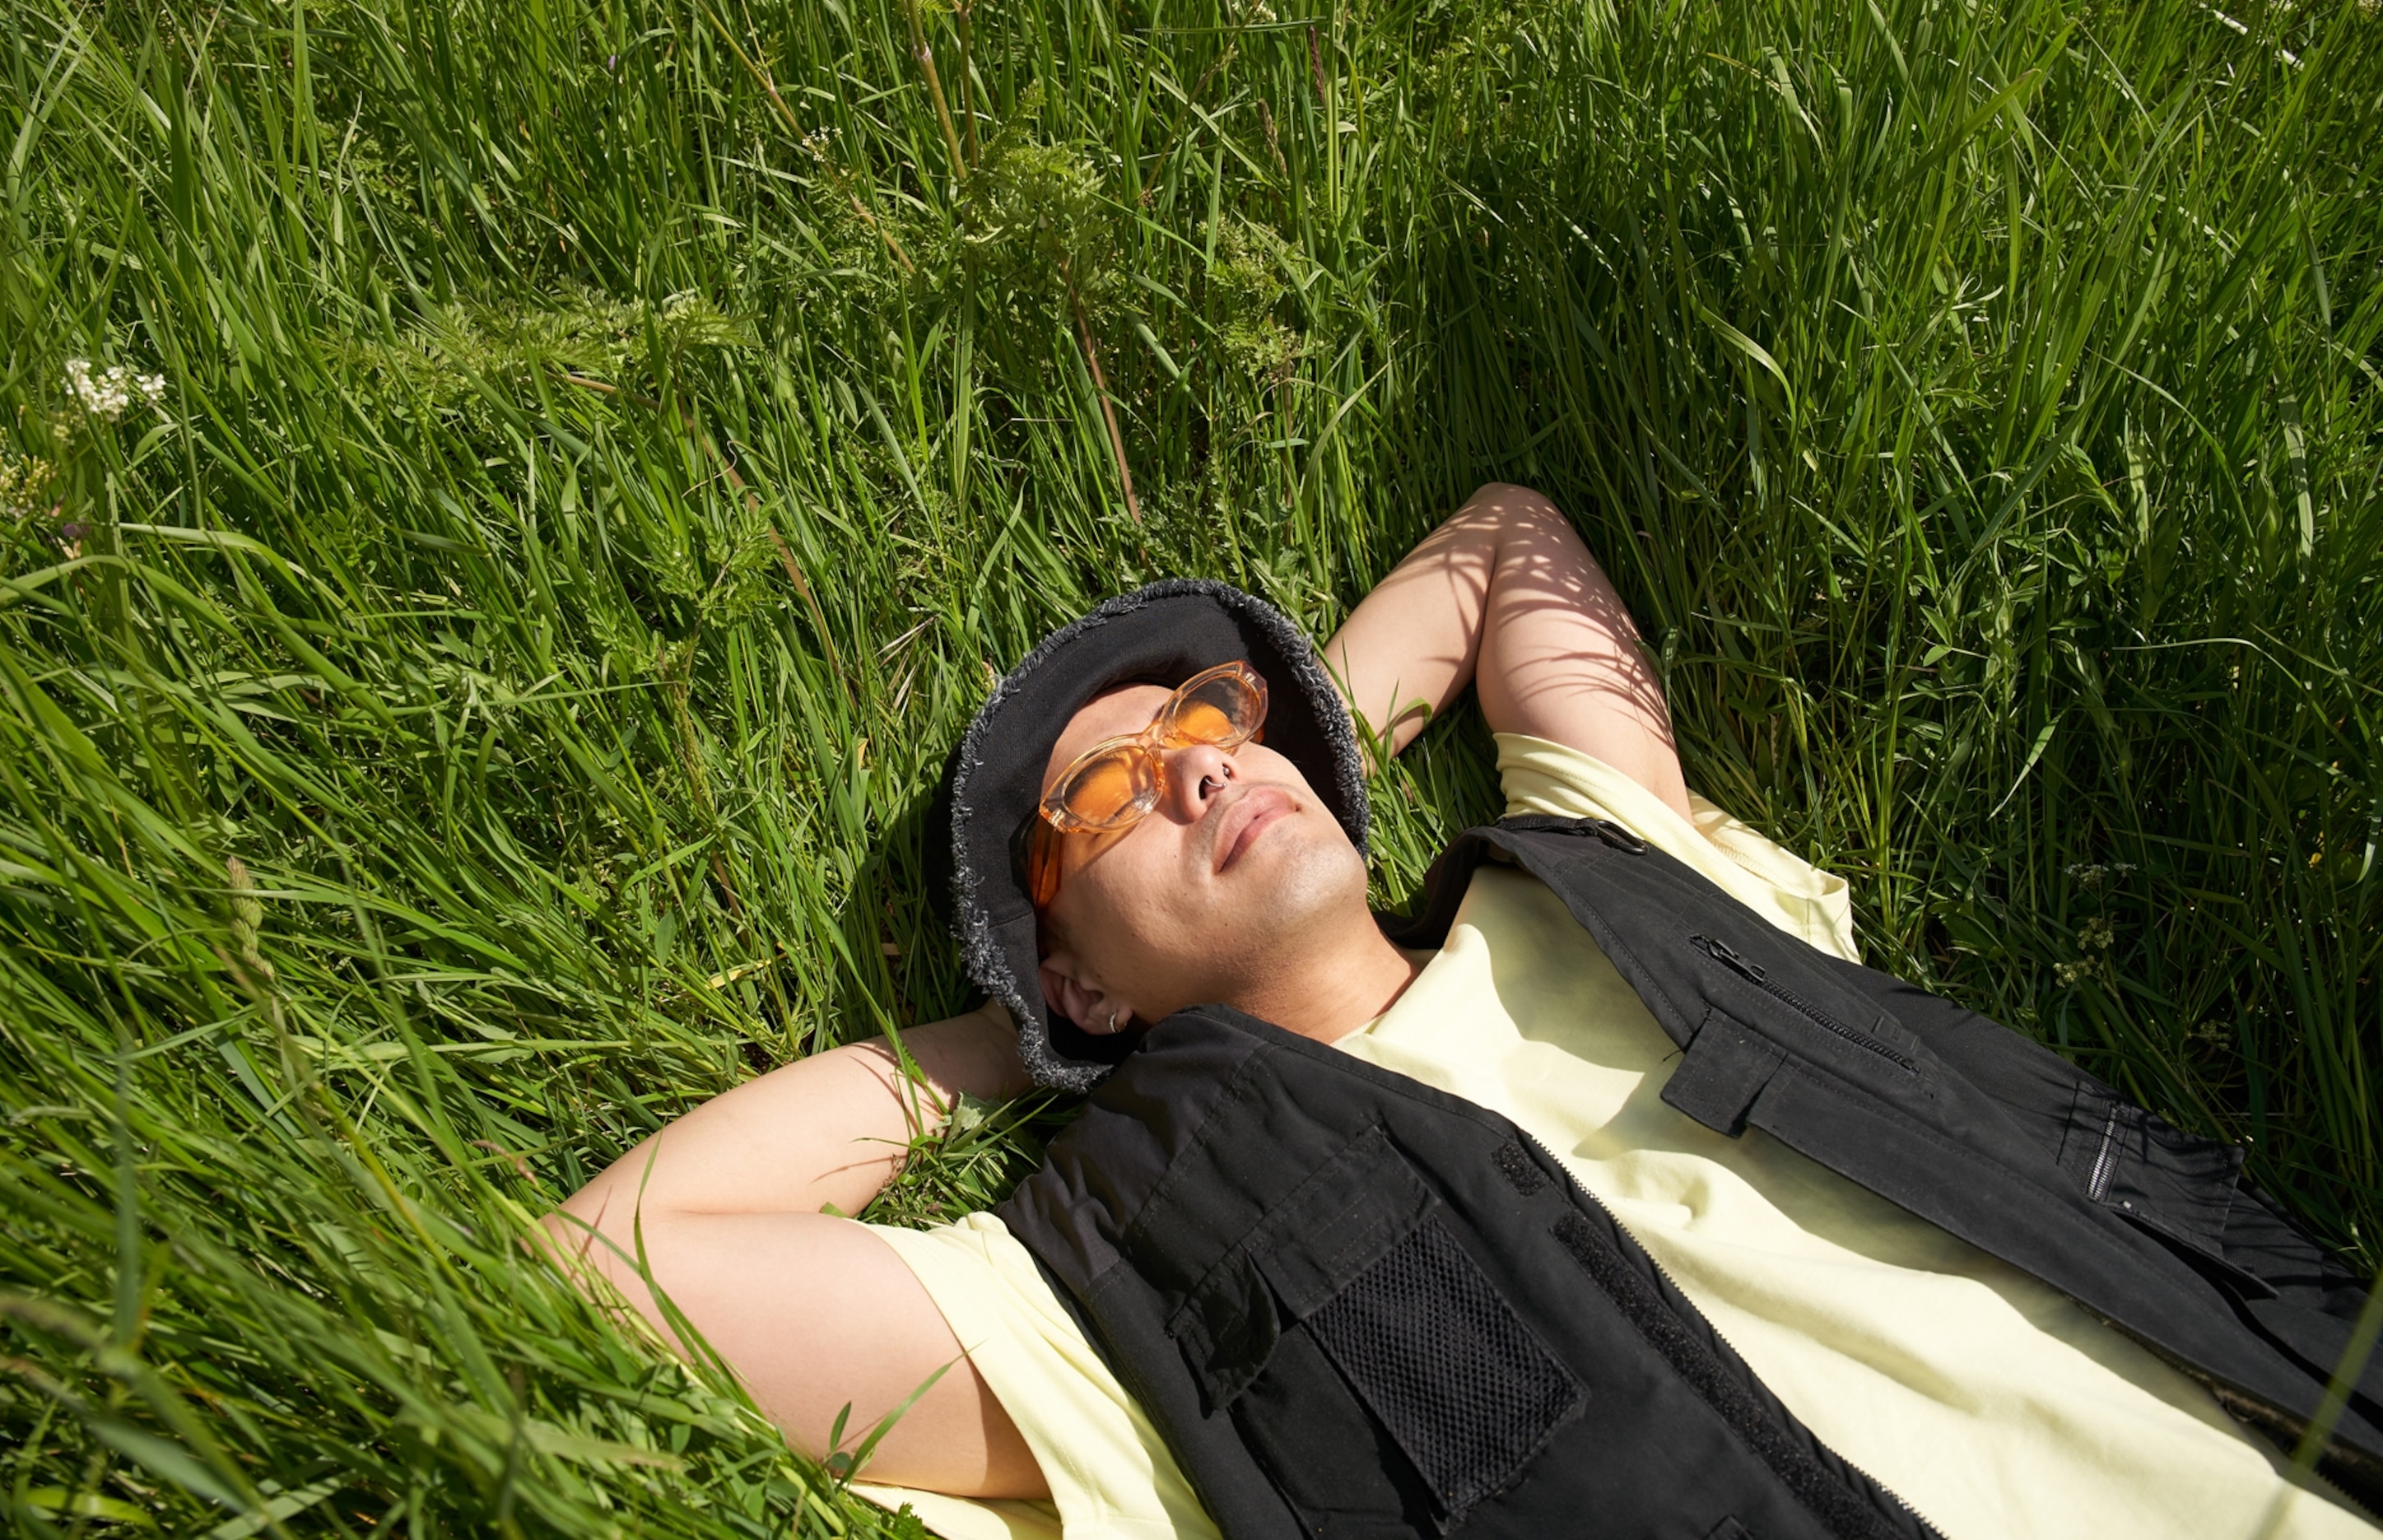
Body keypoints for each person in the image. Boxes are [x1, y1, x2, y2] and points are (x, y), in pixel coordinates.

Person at [549, 485, 2381, 1540]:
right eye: (1100, 798)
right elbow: (611, 1266)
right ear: (1077, 970)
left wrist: (1298, 758)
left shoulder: (1592, 875)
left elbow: (1506, 541)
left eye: (1203, 724)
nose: (1188, 771)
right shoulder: (1134, 1279)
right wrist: (1035, 1048)